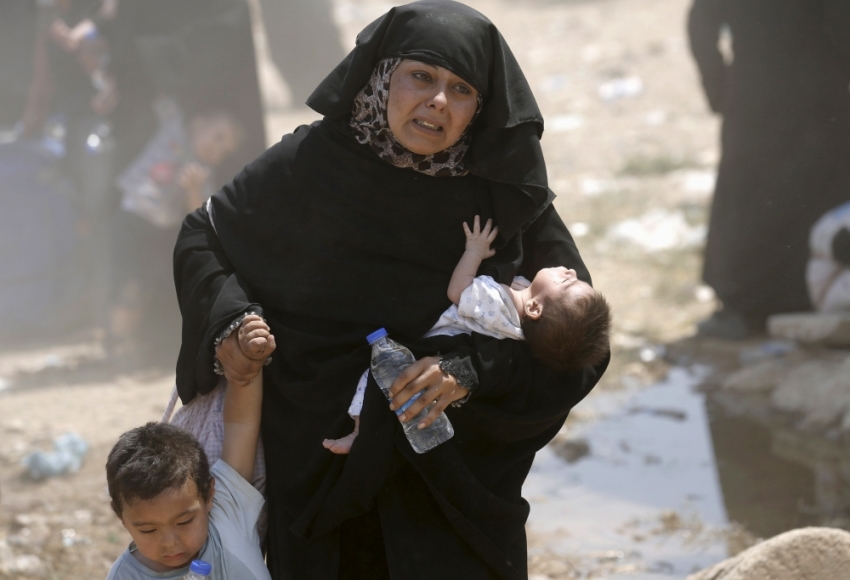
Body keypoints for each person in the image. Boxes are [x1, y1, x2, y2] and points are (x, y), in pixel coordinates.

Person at [174, 2, 609, 577]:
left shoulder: (506, 197)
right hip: (316, 467)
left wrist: (468, 369)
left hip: (446, 489)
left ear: (481, 107)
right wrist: (231, 321)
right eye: (422, 77)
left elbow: (577, 345)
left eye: (461, 90)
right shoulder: (309, 166)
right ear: (382, 73)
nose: (438, 102)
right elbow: (204, 235)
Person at [323, 216, 611, 454]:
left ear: (535, 308)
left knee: (377, 382)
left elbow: (459, 291)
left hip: (418, 357)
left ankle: (360, 431)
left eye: (567, 281)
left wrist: (474, 251)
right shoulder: (533, 324)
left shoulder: (502, 300)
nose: (572, 270)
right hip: (428, 414)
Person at [688, 0, 850, 339]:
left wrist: (719, 88)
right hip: (819, 100)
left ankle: (742, 307)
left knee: (752, 203)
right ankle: (798, 300)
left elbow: (701, 22)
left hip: (757, 95)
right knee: (812, 202)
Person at [105, 318, 274, 579]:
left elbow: (241, 424)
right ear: (122, 519)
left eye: (184, 521)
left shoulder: (228, 513)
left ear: (208, 496)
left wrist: (248, 356)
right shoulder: (126, 576)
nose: (171, 542)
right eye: (148, 530)